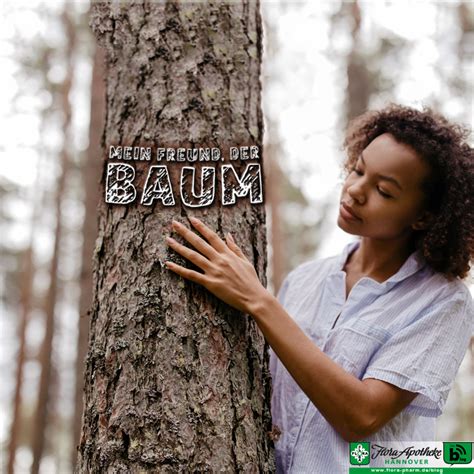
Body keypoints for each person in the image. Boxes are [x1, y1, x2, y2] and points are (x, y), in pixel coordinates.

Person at [164, 103, 474, 473]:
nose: (356, 191)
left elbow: (362, 416)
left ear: (423, 216)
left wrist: (259, 301)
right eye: (359, 170)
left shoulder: (443, 301)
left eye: (385, 191)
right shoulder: (305, 280)